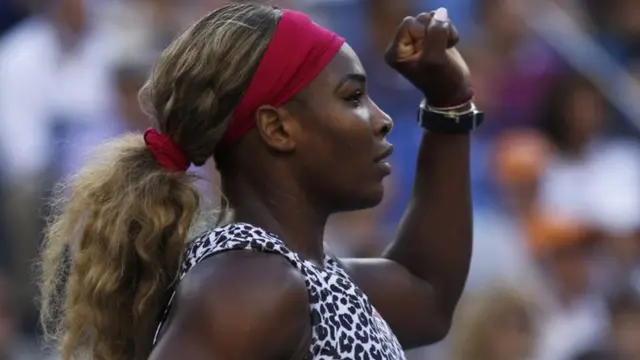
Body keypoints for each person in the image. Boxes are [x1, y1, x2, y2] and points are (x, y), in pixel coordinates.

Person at [38, 3, 482, 360]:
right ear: (278, 128)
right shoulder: (251, 288)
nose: (381, 121)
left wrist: (448, 101)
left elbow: (428, 294)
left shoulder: (299, 276)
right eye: (352, 97)